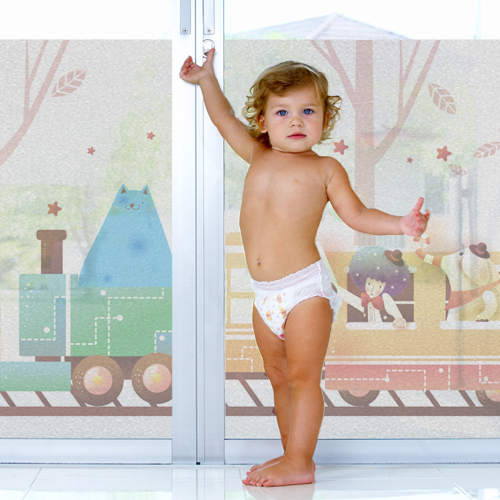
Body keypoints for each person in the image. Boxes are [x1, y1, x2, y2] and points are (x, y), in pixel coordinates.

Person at [180, 49, 430, 487]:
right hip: (264, 294)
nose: (296, 121)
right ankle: (291, 456)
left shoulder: (325, 169)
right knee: (278, 378)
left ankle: (299, 461)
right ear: (263, 121)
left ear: (324, 119)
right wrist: (205, 80)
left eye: (308, 111)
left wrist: (400, 224)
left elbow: (357, 215)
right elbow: (222, 118)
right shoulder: (257, 153)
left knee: (302, 377)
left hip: (305, 291)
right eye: (283, 112)